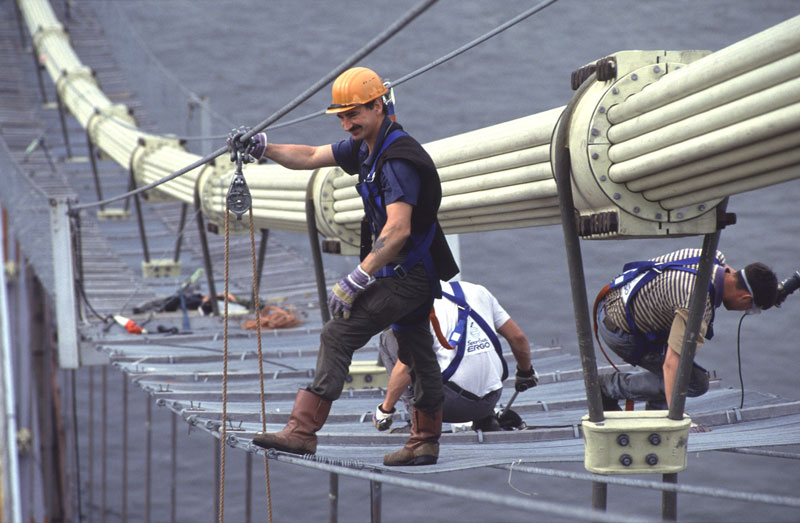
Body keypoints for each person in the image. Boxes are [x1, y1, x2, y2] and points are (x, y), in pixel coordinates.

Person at [228, 67, 458, 466]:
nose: (348, 123)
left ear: (378, 105)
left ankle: (302, 432)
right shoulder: (369, 147)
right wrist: (264, 148)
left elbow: (399, 229)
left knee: (338, 334)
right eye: (342, 116)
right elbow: (312, 156)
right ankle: (424, 441)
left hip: (406, 276)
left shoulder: (397, 160)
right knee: (419, 355)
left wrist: (358, 277)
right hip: (408, 274)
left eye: (355, 114)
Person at [594, 248, 778, 411]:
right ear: (745, 298)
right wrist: (677, 416)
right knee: (694, 382)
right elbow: (671, 363)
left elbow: (741, 279)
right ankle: (607, 387)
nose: (746, 311)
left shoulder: (712, 256)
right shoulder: (696, 306)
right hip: (620, 331)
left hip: (613, 302)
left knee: (676, 360)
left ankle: (657, 410)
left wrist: (771, 293)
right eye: (750, 308)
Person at [374, 280, 538, 432]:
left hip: (447, 406)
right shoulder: (479, 291)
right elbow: (518, 338)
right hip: (490, 401)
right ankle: (485, 419)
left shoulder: (416, 303)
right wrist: (525, 373)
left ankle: (417, 424)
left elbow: (405, 366)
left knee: (388, 337)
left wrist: (385, 410)